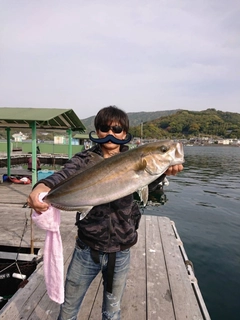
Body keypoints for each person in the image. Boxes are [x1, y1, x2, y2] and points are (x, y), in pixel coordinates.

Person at [27, 106, 183, 320]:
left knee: (112, 311)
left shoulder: (135, 159)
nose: (111, 133)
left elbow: (147, 181)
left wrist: (165, 168)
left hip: (120, 251)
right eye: (104, 127)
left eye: (117, 129)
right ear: (97, 131)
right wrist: (41, 187)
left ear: (125, 133)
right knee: (69, 309)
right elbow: (62, 176)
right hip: (86, 249)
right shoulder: (84, 160)